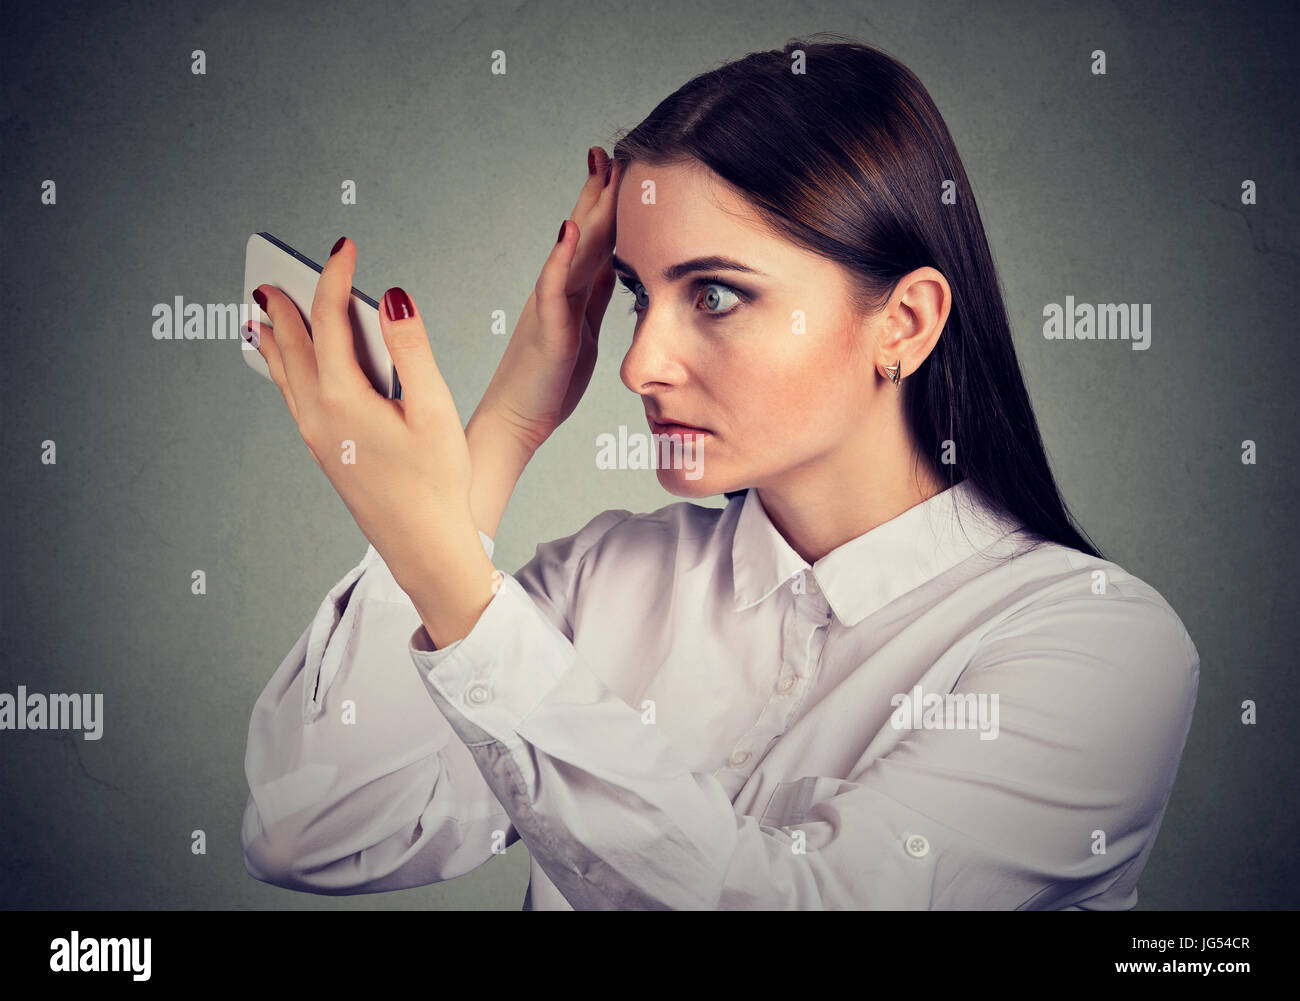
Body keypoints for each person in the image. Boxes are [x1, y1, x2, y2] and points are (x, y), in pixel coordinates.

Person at [238, 34, 1198, 910]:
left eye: (716, 293)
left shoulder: (1101, 649)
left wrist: (447, 573)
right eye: (635, 295)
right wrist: (503, 430)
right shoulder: (605, 578)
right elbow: (315, 831)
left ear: (904, 321)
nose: (638, 364)